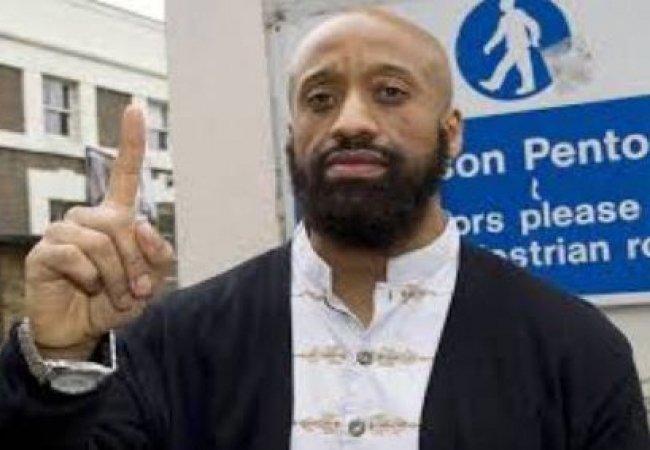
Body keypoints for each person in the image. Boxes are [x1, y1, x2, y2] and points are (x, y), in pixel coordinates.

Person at [0, 7, 648, 450]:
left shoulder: (575, 349)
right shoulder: (173, 341)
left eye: (390, 92)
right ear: (293, 136)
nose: (351, 121)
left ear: (451, 132)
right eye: (320, 99)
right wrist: (60, 361)